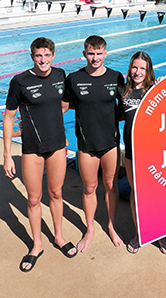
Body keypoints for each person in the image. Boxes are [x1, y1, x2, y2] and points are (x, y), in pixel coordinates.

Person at [3, 37, 77, 272]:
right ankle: (36, 244)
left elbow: (64, 105)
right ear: (32, 56)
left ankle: (59, 237)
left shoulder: (60, 75)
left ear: (53, 56)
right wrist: (6, 155)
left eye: (47, 55)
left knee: (56, 193)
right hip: (32, 149)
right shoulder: (19, 81)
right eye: (38, 55)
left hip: (56, 146)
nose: (43, 60)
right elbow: (8, 118)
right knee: (34, 199)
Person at [64, 35, 124, 252]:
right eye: (91, 53)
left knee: (111, 186)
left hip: (110, 143)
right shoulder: (74, 79)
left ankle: (111, 225)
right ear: (84, 54)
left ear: (105, 54)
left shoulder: (116, 77)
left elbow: (127, 105)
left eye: (99, 53)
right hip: (86, 145)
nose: (95, 58)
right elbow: (63, 106)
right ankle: (89, 229)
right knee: (89, 188)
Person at [120, 51, 166, 254]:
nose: (138, 72)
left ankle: (159, 233)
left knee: (155, 195)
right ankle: (140, 232)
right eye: (134, 67)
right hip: (131, 151)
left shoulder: (156, 90)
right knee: (136, 193)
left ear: (148, 70)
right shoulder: (123, 90)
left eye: (142, 68)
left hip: (152, 153)